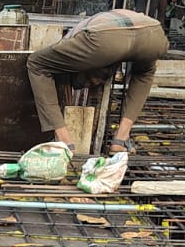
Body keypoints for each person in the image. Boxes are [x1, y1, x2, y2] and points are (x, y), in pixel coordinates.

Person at [25, 9, 169, 156]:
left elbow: (100, 54)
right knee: (144, 73)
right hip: (154, 34)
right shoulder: (93, 33)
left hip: (106, 38)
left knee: (37, 63)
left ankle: (63, 140)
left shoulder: (70, 41)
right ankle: (121, 139)